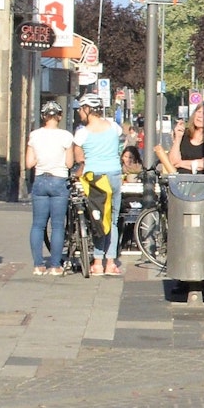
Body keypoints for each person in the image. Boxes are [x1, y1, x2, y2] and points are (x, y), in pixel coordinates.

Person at [72, 94, 126, 276]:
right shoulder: (114, 127)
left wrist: (76, 173)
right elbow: (121, 140)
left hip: (94, 178)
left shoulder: (82, 133)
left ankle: (97, 262)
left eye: (81, 109)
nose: (79, 113)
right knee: (112, 218)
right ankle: (111, 263)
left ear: (87, 110)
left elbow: (79, 159)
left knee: (97, 218)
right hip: (114, 175)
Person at [24, 102, 76, 276]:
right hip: (59, 180)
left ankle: (38, 265)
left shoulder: (34, 135)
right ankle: (55, 265)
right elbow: (69, 163)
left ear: (43, 116)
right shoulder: (66, 136)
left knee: (38, 225)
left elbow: (29, 163)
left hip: (40, 180)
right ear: (59, 117)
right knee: (58, 226)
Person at [172, 103, 204, 174]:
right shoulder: (185, 134)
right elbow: (173, 161)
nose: (199, 116)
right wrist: (178, 138)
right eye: (198, 112)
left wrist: (179, 163)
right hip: (181, 181)